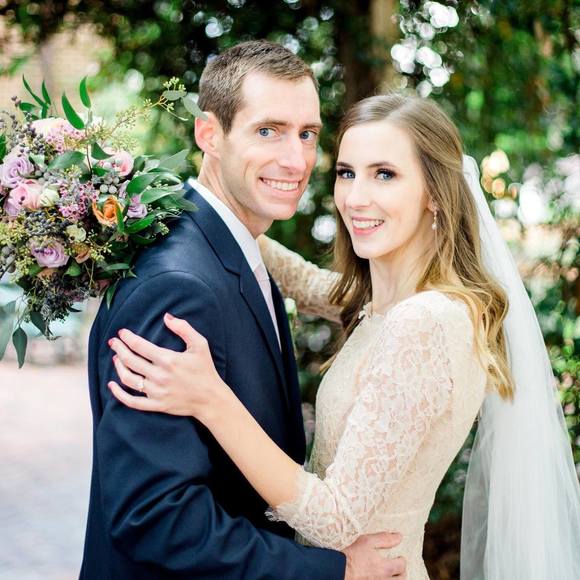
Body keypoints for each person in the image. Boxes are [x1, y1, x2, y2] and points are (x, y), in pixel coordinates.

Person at [108, 93, 580, 579]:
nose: (355, 198)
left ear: (435, 194)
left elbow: (335, 519)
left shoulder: (424, 323)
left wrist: (211, 399)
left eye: (385, 174)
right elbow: (307, 281)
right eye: (347, 173)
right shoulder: (388, 303)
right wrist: (213, 212)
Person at [81, 42, 406, 579]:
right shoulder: (179, 287)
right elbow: (155, 515)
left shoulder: (231, 248)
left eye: (307, 134)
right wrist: (332, 571)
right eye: (268, 131)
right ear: (209, 134)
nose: (296, 161)